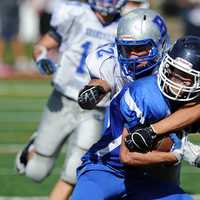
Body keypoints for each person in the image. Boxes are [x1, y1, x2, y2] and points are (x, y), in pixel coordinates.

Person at [15, 1, 127, 200]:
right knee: (36, 172)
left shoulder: (125, 26)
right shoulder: (75, 14)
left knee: (75, 170)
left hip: (97, 105)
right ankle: (34, 145)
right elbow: (43, 45)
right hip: (64, 97)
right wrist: (41, 59)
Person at [72, 35, 200, 200]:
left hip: (141, 177)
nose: (176, 81)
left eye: (186, 77)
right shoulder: (144, 93)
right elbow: (127, 156)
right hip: (104, 169)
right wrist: (177, 153)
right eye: (175, 72)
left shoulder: (191, 102)